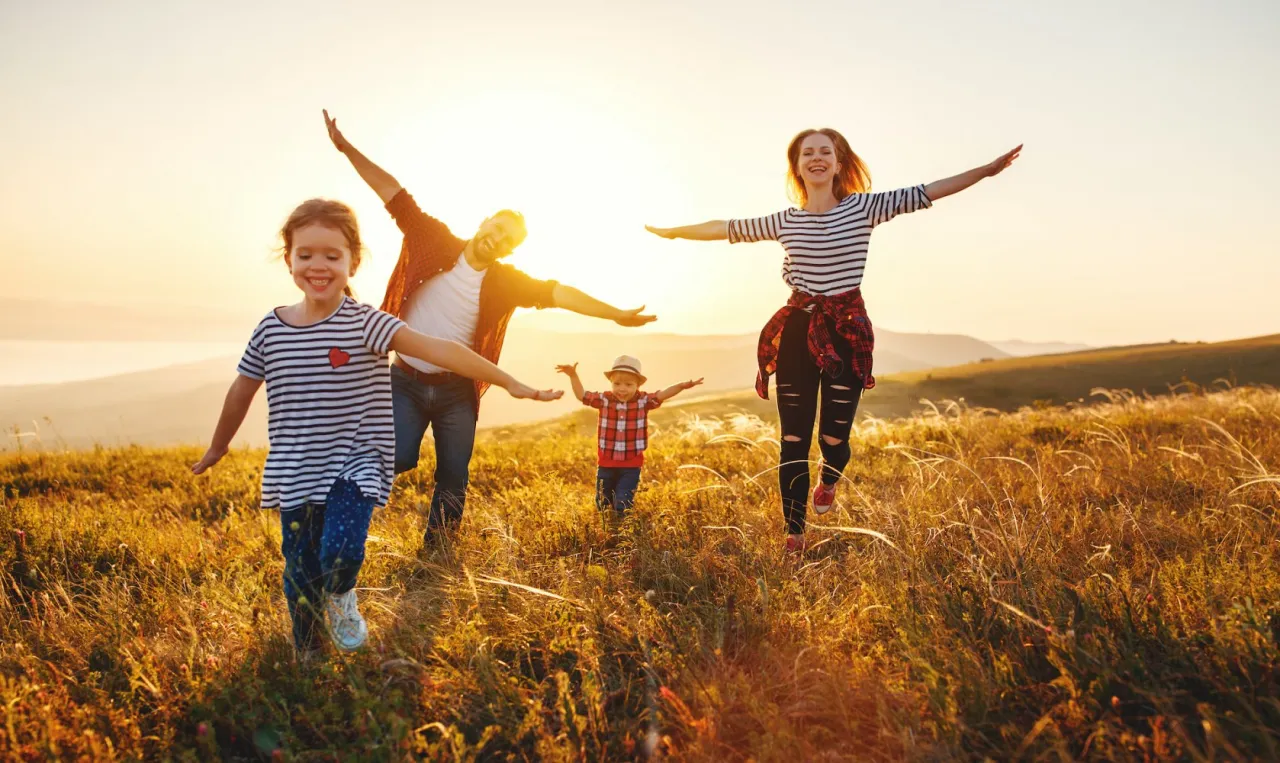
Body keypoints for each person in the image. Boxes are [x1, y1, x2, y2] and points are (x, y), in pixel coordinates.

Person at [192, 198, 561, 658]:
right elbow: (242, 388)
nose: (318, 265)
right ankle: (309, 652)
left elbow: (443, 350)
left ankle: (341, 594)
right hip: (296, 470)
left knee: (340, 551)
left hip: (356, 465)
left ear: (353, 262)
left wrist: (508, 381)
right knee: (300, 570)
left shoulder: (368, 323)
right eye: (306, 254)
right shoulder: (272, 328)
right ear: (288, 259)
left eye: (332, 255)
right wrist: (218, 446)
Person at [646, 129, 1021, 554]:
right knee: (793, 440)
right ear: (797, 166)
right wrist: (675, 232)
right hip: (798, 331)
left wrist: (985, 171)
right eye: (808, 153)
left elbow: (929, 190)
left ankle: (829, 478)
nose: (817, 157)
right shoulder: (785, 221)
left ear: (839, 164)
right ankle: (794, 534)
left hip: (846, 332)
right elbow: (725, 227)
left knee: (833, 440)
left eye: (825, 151)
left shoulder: (864, 208)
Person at [323, 110, 656, 546]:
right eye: (496, 229)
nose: (497, 239)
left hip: (457, 389)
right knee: (397, 455)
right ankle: (333, 505)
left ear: (509, 250)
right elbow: (392, 193)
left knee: (454, 473)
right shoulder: (432, 239)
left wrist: (614, 314)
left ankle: (437, 551)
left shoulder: (505, 282)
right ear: (483, 223)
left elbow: (560, 293)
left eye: (507, 240)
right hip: (404, 380)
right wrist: (346, 149)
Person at [556, 356, 702, 515]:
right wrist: (573, 375)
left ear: (638, 385)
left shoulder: (643, 401)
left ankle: (622, 523)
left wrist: (681, 386)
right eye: (617, 384)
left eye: (628, 384)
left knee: (623, 500)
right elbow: (582, 395)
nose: (622, 389)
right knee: (603, 501)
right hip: (606, 461)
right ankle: (607, 524)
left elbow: (662, 394)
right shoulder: (604, 400)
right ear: (611, 383)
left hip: (631, 463)